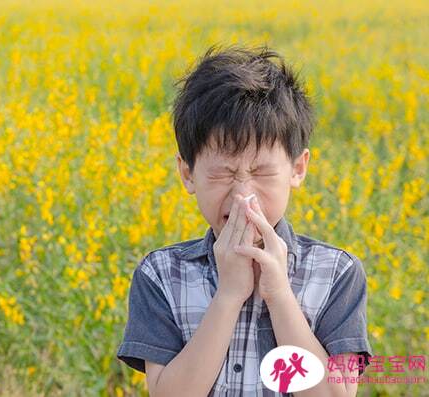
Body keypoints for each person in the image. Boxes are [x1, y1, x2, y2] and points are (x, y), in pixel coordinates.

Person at [116, 44, 373, 396]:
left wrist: (280, 295)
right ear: (187, 174)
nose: (243, 196)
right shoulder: (161, 274)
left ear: (298, 169)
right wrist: (229, 295)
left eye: (261, 172)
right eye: (222, 173)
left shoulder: (336, 274)